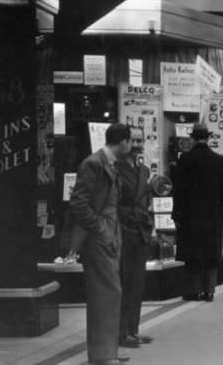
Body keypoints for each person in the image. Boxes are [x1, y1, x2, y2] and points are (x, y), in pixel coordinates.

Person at [68, 122, 132, 365]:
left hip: (110, 235)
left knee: (109, 293)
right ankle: (103, 354)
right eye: (131, 141)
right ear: (123, 142)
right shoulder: (93, 164)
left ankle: (108, 351)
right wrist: (101, 228)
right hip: (100, 237)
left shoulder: (109, 164)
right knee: (106, 293)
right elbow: (79, 203)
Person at [173, 122, 223, 302]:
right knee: (211, 255)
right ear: (208, 137)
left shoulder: (185, 159)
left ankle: (195, 290)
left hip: (191, 216)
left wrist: (177, 214)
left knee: (193, 255)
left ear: (192, 138)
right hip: (213, 216)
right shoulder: (220, 160)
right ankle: (210, 291)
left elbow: (179, 190)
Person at [117, 126, 154, 348]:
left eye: (141, 141)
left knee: (137, 284)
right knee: (123, 283)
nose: (138, 145)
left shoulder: (144, 170)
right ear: (124, 142)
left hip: (140, 232)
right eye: (133, 141)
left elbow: (145, 201)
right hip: (123, 230)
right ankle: (121, 333)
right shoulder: (115, 169)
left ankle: (133, 329)